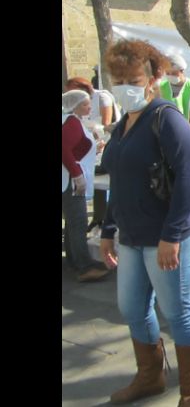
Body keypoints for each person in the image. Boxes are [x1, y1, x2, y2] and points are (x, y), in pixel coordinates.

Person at [99, 39, 190, 406]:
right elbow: (118, 179)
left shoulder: (166, 117)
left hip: (166, 235)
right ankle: (150, 377)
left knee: (178, 312)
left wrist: (171, 236)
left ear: (154, 77)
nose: (124, 85)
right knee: (132, 308)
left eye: (132, 78)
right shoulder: (123, 124)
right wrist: (108, 230)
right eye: (119, 78)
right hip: (131, 235)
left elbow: (189, 178)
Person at [62, 90, 111, 282]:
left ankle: (73, 261)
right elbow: (64, 149)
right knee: (79, 221)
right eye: (85, 104)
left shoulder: (70, 120)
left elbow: (75, 147)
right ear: (74, 106)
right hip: (71, 181)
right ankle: (84, 267)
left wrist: (94, 146)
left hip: (69, 179)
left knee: (72, 223)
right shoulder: (71, 122)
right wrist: (77, 175)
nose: (89, 107)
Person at [157, 54, 190, 120]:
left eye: (174, 73)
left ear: (182, 71)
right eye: (167, 73)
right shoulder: (161, 87)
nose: (170, 76)